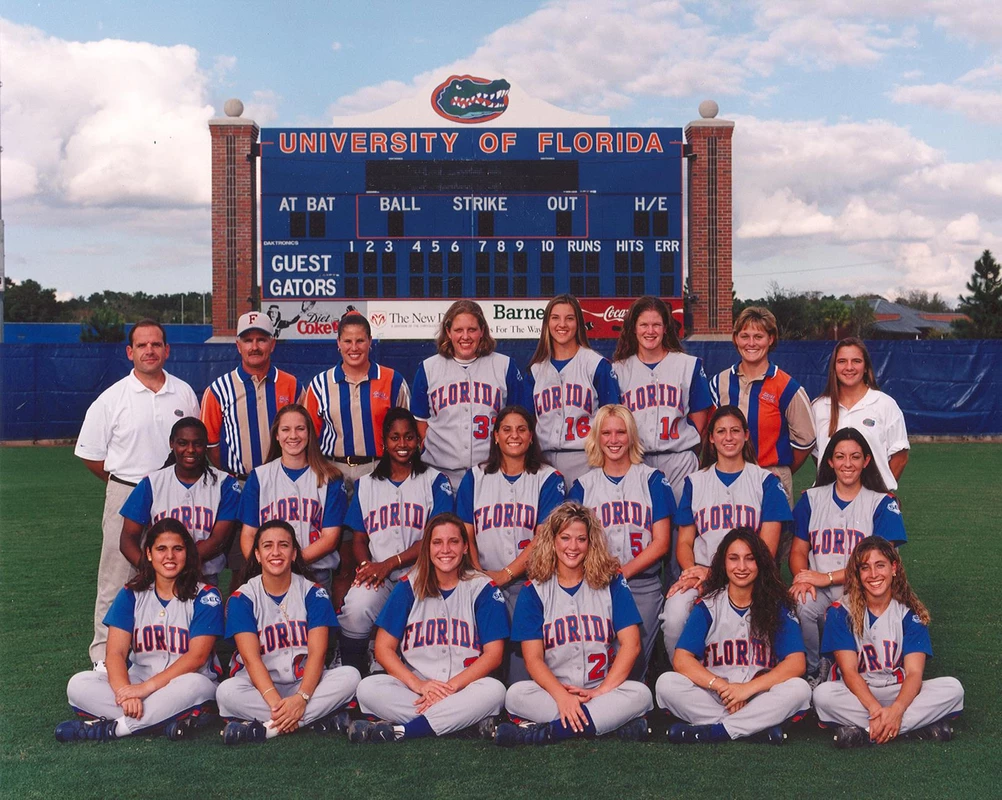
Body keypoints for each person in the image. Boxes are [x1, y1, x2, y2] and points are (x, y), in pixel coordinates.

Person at [75, 319, 200, 667]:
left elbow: (191, 446)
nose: (150, 350)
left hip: (173, 494)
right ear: (130, 352)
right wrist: (125, 486)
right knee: (117, 576)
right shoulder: (112, 398)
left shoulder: (185, 393)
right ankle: (104, 655)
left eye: (156, 344)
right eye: (142, 345)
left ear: (167, 350)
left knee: (175, 570)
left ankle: (174, 647)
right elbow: (90, 455)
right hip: (126, 491)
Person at [499, 502, 653, 746]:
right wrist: (562, 697)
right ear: (553, 540)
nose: (573, 546)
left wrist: (600, 692)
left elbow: (631, 645)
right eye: (565, 538)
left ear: (591, 542)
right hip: (554, 692)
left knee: (642, 694)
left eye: (581, 539)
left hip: (601, 691)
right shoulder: (534, 591)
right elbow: (533, 660)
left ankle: (547, 732)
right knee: (515, 695)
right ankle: (607, 726)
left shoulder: (611, 583)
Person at [55, 519, 223, 742]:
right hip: (137, 682)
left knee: (197, 686)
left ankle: (112, 729)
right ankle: (163, 721)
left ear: (188, 554)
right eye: (161, 549)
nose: (170, 556)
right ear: (149, 554)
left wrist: (144, 690)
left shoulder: (206, 596)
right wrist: (125, 692)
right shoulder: (131, 594)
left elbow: (197, 657)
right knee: (78, 684)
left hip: (184, 682)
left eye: (178, 549)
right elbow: (115, 653)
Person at [349, 513, 509, 743]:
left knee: (494, 691)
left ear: (465, 547)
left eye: (453, 542)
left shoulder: (482, 587)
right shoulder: (408, 586)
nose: (445, 549)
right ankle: (461, 724)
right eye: (437, 542)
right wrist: (420, 685)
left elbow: (494, 655)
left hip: (465, 688)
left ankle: (404, 731)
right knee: (368, 687)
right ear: (428, 548)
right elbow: (384, 648)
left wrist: (452, 688)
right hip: (416, 692)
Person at [655, 528, 812, 744]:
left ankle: (717, 730)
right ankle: (754, 729)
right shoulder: (708, 606)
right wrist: (721, 686)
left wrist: (746, 690)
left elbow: (796, 663)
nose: (741, 567)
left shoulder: (777, 605)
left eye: (750, 559)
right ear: (723, 563)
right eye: (733, 558)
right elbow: (681, 659)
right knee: (666, 683)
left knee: (800, 690)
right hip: (715, 696)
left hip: (758, 696)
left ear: (761, 563)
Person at [660, 405, 792, 660]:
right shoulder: (695, 482)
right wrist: (691, 572)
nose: (728, 437)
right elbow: (685, 543)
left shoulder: (767, 482)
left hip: (752, 576)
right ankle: (686, 678)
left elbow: (767, 550)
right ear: (710, 437)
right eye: (721, 431)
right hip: (702, 577)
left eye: (735, 431)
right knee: (675, 615)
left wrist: (716, 572)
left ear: (746, 435)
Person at [217, 520, 361, 744]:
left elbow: (317, 653)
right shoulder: (242, 597)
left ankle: (266, 729)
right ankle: (312, 718)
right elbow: (250, 659)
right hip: (259, 690)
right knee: (226, 692)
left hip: (306, 685)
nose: (276, 552)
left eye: (283, 545)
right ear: (257, 554)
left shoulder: (314, 592)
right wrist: (278, 703)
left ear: (294, 553)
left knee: (351, 677)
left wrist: (301, 699)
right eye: (267, 546)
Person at [813, 537, 964, 747]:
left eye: (880, 565)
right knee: (823, 695)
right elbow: (849, 672)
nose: (874, 574)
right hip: (857, 693)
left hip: (898, 690)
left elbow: (914, 673)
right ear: (857, 574)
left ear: (894, 568)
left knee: (953, 689)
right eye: (865, 568)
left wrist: (897, 711)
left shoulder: (910, 614)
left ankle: (865, 731)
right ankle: (915, 728)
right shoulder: (841, 612)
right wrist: (876, 710)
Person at [304, 310, 411, 608]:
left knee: (377, 552)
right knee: (341, 561)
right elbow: (307, 435)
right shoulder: (320, 385)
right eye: (348, 341)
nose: (354, 347)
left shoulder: (392, 381)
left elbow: (407, 432)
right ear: (338, 343)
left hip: (378, 471)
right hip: (335, 472)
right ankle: (340, 637)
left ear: (370, 342)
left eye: (360, 340)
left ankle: (375, 635)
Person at [338, 408, 454, 676]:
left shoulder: (436, 481)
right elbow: (358, 538)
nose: (402, 444)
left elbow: (435, 539)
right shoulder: (366, 484)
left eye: (409, 437)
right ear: (384, 442)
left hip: (423, 575)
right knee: (355, 608)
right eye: (395, 437)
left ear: (418, 441)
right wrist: (368, 566)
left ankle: (399, 666)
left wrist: (388, 564)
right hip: (381, 573)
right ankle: (352, 673)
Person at [456, 405, 567, 680]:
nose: (513, 435)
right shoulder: (475, 476)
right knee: (481, 667)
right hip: (481, 581)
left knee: (521, 674)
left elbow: (543, 539)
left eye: (521, 429)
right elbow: (465, 532)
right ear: (495, 436)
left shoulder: (549, 478)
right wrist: (479, 573)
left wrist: (504, 575)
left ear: (531, 437)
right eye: (506, 429)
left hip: (531, 584)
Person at [790, 428, 907, 682]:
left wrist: (827, 577)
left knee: (845, 613)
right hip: (820, 589)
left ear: (866, 461)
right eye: (840, 456)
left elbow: (882, 563)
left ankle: (848, 669)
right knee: (802, 603)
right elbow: (799, 549)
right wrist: (803, 577)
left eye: (855, 457)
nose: (847, 464)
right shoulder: (811, 498)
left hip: (864, 589)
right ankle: (813, 670)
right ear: (830, 461)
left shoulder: (882, 502)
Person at [568, 404, 674, 680]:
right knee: (597, 665)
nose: (613, 440)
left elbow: (661, 543)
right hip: (595, 587)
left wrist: (622, 573)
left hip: (642, 585)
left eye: (620, 432)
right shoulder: (583, 485)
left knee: (632, 667)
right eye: (606, 433)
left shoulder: (652, 480)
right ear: (597, 438)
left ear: (631, 436)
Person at [201, 310, 303, 589]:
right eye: (248, 340)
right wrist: (233, 477)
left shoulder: (292, 385)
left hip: (283, 485)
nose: (255, 346)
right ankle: (241, 628)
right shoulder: (218, 390)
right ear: (238, 345)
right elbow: (212, 446)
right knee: (242, 567)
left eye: (261, 339)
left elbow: (303, 435)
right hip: (241, 485)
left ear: (273, 344)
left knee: (285, 558)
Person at [411, 300, 525, 489]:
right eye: (458, 330)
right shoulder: (428, 368)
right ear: (448, 332)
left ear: (482, 330)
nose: (465, 336)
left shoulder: (505, 366)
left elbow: (520, 421)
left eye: (472, 329)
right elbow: (420, 424)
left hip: (491, 472)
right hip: (440, 473)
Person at [708, 306, 815, 506]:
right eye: (744, 336)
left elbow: (805, 440)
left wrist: (780, 470)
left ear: (771, 339)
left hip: (771, 477)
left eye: (758, 336)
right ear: (735, 339)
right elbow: (711, 435)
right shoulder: (719, 382)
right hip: (726, 478)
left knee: (772, 537)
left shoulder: (787, 386)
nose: (751, 343)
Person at [119, 417, 241, 587]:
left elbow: (220, 538)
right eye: (183, 443)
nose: (190, 449)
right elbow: (128, 537)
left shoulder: (225, 484)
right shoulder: (152, 483)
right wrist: (149, 568)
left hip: (204, 576)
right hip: (160, 577)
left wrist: (184, 565)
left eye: (197, 444)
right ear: (172, 444)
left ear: (206, 445)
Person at [237, 404, 348, 591]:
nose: (293, 436)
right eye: (286, 429)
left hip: (315, 575)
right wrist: (263, 567)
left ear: (310, 433)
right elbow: (248, 534)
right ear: (277, 435)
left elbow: (330, 538)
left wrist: (290, 564)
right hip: (268, 578)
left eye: (300, 429)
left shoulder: (331, 478)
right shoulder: (259, 477)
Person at [613, 295, 712, 502]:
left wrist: (690, 451)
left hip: (679, 460)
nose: (650, 331)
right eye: (644, 325)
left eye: (656, 324)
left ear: (665, 327)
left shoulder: (687, 365)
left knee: (681, 527)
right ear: (634, 328)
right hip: (636, 461)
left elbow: (700, 420)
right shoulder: (618, 370)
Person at [526, 294, 620, 487]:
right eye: (555, 318)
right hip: (544, 463)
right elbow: (526, 421)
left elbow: (613, 417)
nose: (562, 324)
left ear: (578, 323)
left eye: (570, 318)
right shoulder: (535, 370)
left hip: (587, 461)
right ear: (547, 324)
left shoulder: (596, 365)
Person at [812, 337, 910, 492]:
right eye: (842, 361)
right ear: (834, 367)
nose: (849, 367)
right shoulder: (818, 407)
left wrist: (879, 493)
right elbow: (819, 455)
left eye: (856, 361)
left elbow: (900, 456)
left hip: (874, 502)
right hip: (828, 502)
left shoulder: (885, 404)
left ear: (865, 367)